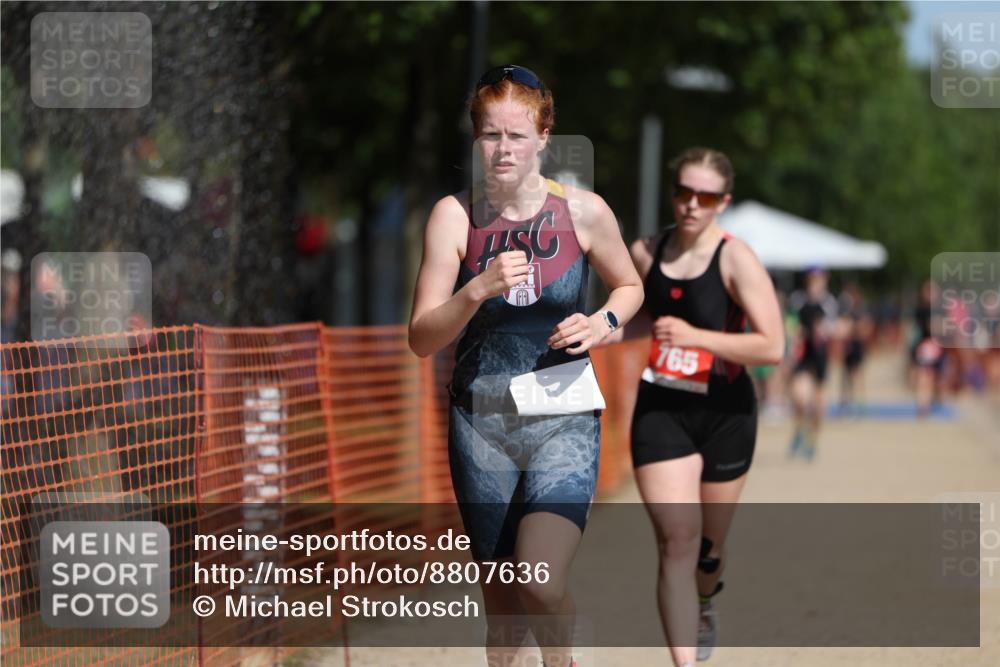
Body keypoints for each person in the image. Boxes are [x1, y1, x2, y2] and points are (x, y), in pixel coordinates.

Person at [407, 65, 643, 667]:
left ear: (544, 135)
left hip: (562, 418)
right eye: (490, 135)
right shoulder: (453, 218)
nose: (503, 149)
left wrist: (602, 326)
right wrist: (475, 290)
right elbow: (420, 337)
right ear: (476, 139)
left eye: (516, 135)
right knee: (505, 614)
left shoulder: (584, 213)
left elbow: (630, 287)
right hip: (480, 424)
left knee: (539, 580)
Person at [603, 147, 783, 666]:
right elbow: (634, 319)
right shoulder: (644, 253)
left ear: (722, 202)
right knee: (676, 542)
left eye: (705, 196)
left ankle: (706, 598)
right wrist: (597, 331)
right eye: (683, 192)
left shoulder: (736, 258)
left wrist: (696, 337)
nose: (692, 205)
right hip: (662, 411)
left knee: (707, 549)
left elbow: (772, 346)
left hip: (727, 413)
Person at [787, 267, 838, 459]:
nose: (816, 282)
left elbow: (835, 326)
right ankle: (799, 428)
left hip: (820, 355)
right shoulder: (798, 299)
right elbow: (790, 321)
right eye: (813, 279)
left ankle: (813, 441)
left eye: (820, 279)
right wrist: (795, 332)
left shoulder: (829, 302)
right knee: (800, 397)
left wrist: (824, 330)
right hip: (802, 355)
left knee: (818, 404)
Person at [837, 282, 872, 415]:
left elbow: (864, 329)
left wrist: (853, 330)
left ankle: (860, 402)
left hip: (857, 348)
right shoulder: (846, 311)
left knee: (857, 375)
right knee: (846, 375)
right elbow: (843, 329)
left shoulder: (860, 311)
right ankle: (846, 402)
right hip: (848, 348)